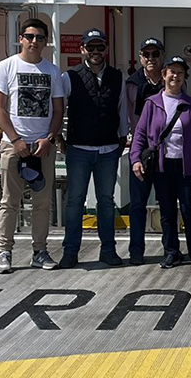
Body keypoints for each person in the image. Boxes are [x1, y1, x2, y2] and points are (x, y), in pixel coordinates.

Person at [0, 18, 67, 274]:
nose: (34, 42)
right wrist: (15, 140)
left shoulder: (52, 71)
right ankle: (5, 251)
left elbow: (58, 109)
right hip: (14, 144)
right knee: (9, 200)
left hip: (42, 146)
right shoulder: (6, 66)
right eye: (30, 36)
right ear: (21, 38)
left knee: (42, 202)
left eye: (40, 38)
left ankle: (40, 250)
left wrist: (50, 137)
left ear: (46, 42)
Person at [130, 56, 191, 270]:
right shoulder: (152, 103)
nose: (175, 76)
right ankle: (171, 252)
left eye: (180, 72)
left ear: (185, 77)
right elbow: (140, 134)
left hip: (185, 166)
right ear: (164, 74)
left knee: (189, 210)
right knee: (166, 211)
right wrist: (135, 159)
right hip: (161, 165)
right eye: (172, 72)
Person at [58, 28, 128, 269]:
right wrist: (58, 136)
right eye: (91, 47)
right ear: (82, 49)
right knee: (75, 201)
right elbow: (59, 107)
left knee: (106, 201)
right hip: (78, 149)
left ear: (106, 49)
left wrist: (122, 136)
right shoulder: (70, 77)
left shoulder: (117, 77)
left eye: (100, 47)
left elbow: (122, 110)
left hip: (108, 149)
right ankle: (70, 252)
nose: (96, 52)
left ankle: (108, 250)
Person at [122, 37, 167, 265]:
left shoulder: (171, 78)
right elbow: (129, 116)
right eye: (146, 54)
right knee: (138, 205)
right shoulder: (132, 84)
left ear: (162, 56)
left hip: (167, 150)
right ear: (141, 58)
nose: (151, 58)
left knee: (167, 204)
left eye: (155, 54)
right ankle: (136, 251)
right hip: (141, 150)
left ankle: (170, 249)